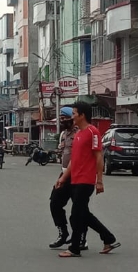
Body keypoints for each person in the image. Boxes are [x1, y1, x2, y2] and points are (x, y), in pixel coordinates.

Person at [55, 101, 121, 258]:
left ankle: (75, 248)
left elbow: (99, 156)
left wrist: (99, 180)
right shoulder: (78, 134)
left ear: (82, 115)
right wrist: (63, 178)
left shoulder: (93, 132)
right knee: (83, 213)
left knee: (76, 215)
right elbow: (73, 160)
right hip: (75, 179)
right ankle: (108, 238)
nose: (72, 116)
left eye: (74, 113)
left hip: (86, 180)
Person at [49, 107, 88, 250]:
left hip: (78, 175)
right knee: (55, 203)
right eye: (61, 118)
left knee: (80, 210)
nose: (62, 120)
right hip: (64, 173)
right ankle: (63, 232)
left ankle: (82, 239)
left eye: (64, 118)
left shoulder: (80, 133)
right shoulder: (64, 134)